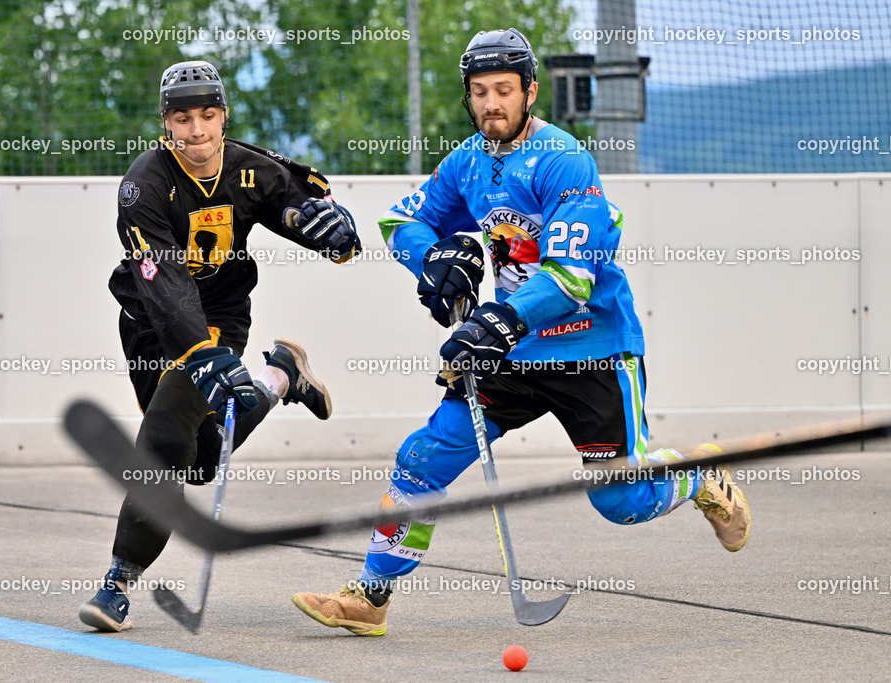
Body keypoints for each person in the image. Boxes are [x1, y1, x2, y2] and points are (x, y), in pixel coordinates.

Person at [291, 28, 750, 637]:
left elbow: (572, 276)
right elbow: (399, 219)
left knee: (619, 501)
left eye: (504, 90)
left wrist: (499, 319)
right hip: (511, 350)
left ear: (530, 91)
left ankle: (695, 475)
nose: (490, 105)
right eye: (479, 92)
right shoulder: (468, 162)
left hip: (592, 349)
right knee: (422, 460)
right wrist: (432, 260)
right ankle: (371, 596)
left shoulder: (566, 160)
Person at [79, 60, 361, 632]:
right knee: (200, 460)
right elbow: (161, 278)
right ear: (166, 124)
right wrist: (199, 356)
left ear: (224, 117)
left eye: (208, 116)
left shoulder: (249, 167)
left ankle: (118, 580)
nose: (198, 131)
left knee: (159, 439)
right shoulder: (144, 184)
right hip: (152, 324)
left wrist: (332, 230)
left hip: (221, 318)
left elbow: (298, 203)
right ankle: (281, 377)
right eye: (183, 119)